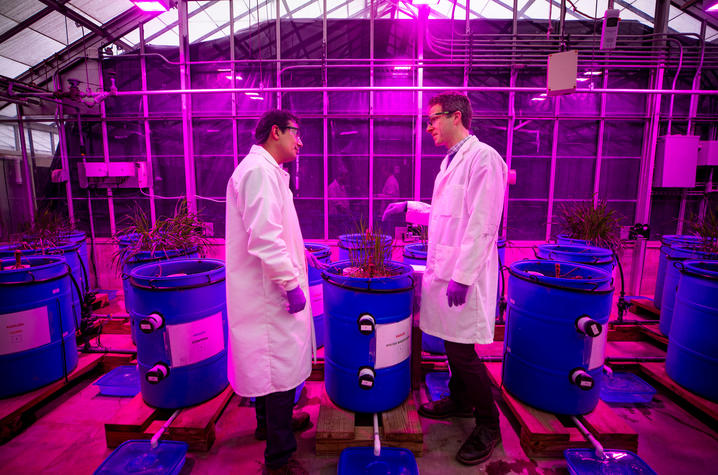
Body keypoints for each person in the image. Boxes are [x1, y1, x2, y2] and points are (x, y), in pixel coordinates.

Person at [383, 92, 508, 466]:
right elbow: (445, 214)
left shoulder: (484, 159)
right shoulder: (450, 162)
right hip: (447, 268)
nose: (429, 126)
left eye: (433, 119)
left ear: (456, 117)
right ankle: (460, 399)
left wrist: (464, 277)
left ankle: (489, 425)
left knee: (463, 350)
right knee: (453, 344)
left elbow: (483, 224)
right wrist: (408, 208)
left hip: (464, 274)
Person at [226, 110, 315, 475]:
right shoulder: (259, 173)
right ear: (275, 132)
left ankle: (269, 425)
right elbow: (264, 238)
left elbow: (275, 227)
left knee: (271, 368)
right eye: (296, 133)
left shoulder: (268, 172)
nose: (300, 141)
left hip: (267, 286)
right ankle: (278, 460)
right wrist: (291, 284)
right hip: (269, 292)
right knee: (276, 370)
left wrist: (300, 251)